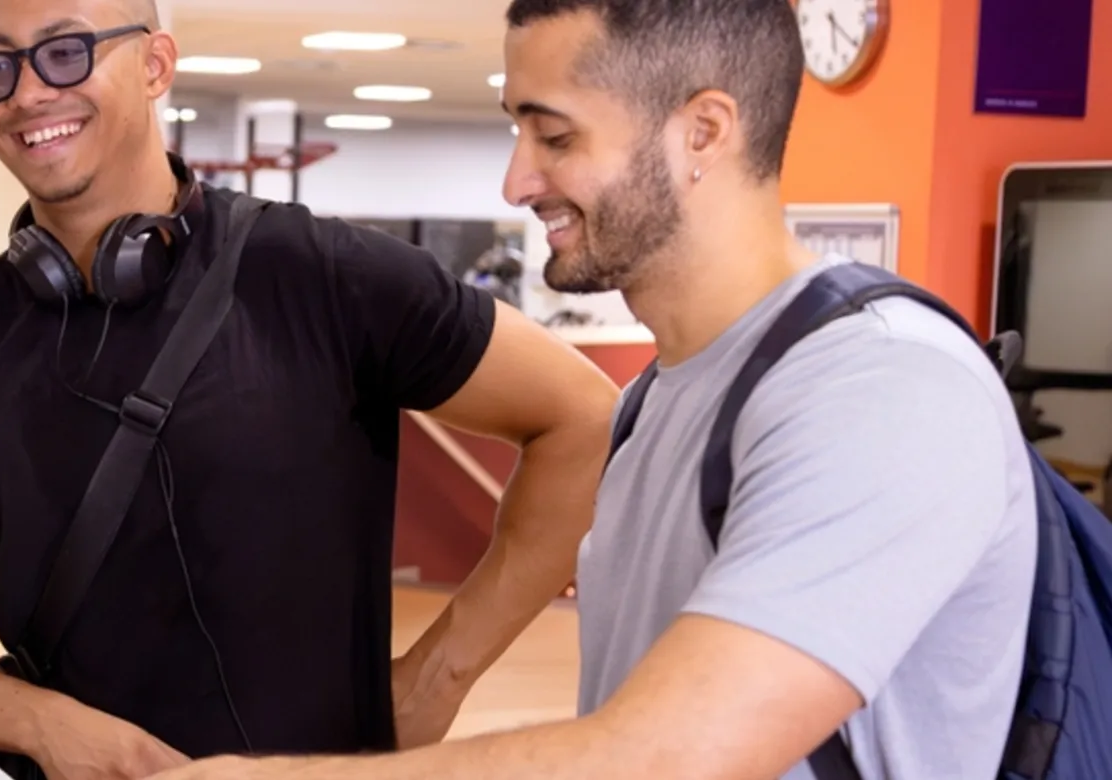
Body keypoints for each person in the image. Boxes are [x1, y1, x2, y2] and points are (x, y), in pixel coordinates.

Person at [148, 1, 1036, 778]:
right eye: (517, 130)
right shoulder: (665, 394)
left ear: (704, 132)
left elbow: (667, 757)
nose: (516, 180)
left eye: (556, 136)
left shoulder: (881, 392)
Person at [0, 0, 624, 775]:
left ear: (155, 65)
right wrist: (46, 727)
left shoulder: (324, 275)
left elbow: (584, 418)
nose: (28, 92)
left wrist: (438, 674)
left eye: (66, 51)